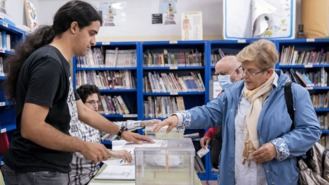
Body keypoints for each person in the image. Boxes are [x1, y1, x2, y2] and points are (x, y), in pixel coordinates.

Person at [1, 1, 151, 185]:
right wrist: (83, 146)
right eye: (92, 33)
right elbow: (32, 127)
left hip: (43, 170)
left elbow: (83, 111)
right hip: (36, 171)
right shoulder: (50, 63)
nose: (94, 42)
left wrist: (121, 132)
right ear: (74, 27)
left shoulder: (60, 63)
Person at [154, 39, 321, 185]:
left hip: (275, 178)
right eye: (244, 69)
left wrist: (277, 147)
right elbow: (209, 112)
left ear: (269, 72)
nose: (245, 76)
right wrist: (178, 118)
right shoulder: (235, 92)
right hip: (236, 176)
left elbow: (310, 130)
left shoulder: (294, 93)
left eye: (251, 71)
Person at [69, 84, 130, 184]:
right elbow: (85, 152)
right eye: (91, 102)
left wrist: (144, 123)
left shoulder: (95, 123)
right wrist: (114, 153)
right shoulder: (74, 125)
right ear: (80, 105)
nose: (96, 106)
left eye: (97, 102)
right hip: (82, 181)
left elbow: (116, 125)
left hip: (96, 176)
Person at [199, 56, 243, 170]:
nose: (220, 78)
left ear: (239, 71)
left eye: (223, 73)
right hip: (224, 153)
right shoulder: (223, 95)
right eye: (217, 74)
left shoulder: (248, 96)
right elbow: (216, 116)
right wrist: (209, 133)